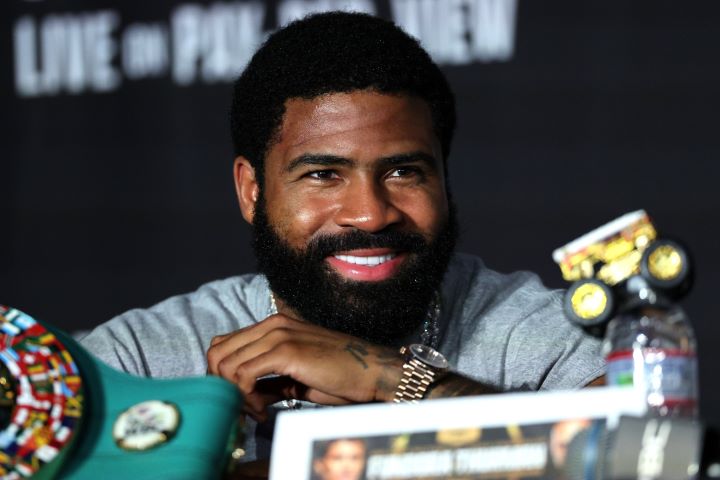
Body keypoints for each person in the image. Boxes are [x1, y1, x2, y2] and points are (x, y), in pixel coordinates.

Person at [80, 11, 604, 462]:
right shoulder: (138, 362)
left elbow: (626, 455)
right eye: (323, 174)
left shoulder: (540, 336)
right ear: (251, 191)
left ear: (444, 178)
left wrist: (392, 379)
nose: (370, 215)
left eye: (403, 172)